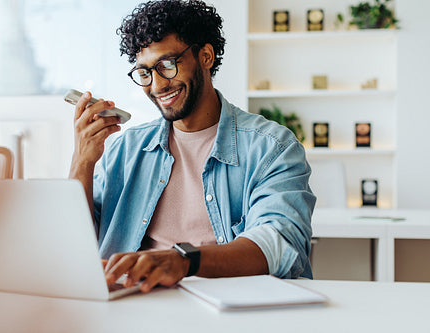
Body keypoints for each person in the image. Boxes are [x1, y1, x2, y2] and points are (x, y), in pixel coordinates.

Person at [69, 0, 316, 293]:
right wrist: (82, 161)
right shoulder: (125, 150)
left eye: (168, 65)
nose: (157, 85)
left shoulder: (271, 147)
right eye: (146, 72)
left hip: (231, 308)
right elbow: (73, 245)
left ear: (206, 56)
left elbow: (280, 244)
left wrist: (183, 260)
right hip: (131, 305)